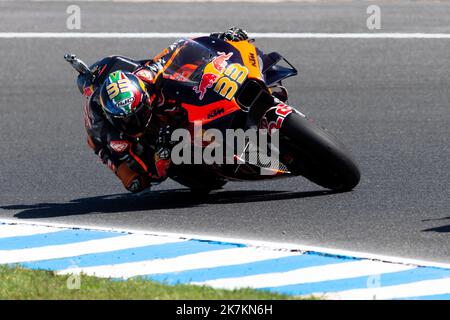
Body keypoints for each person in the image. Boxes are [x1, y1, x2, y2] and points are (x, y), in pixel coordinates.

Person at [75, 27, 249, 193]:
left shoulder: (144, 76)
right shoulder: (110, 134)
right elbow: (153, 175)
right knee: (135, 183)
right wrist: (162, 153)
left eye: (137, 114)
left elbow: (178, 51)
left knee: (186, 72)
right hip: (132, 143)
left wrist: (218, 39)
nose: (134, 122)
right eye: (127, 119)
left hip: (141, 89)